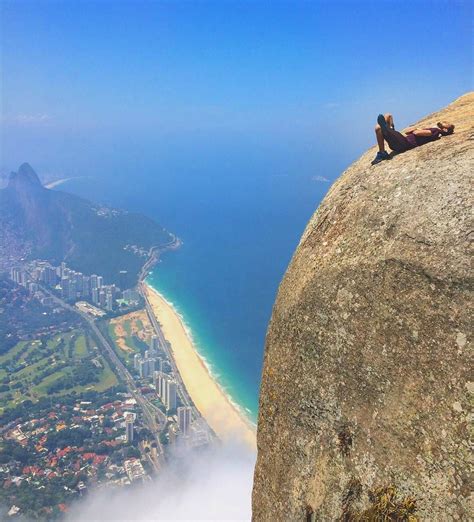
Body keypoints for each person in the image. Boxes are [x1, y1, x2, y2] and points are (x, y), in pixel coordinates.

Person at [371, 113, 455, 165]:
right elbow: (407, 132)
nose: (444, 122)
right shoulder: (433, 129)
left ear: (445, 129)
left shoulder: (436, 131)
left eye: (446, 124)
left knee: (380, 127)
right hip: (401, 141)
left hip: (404, 144)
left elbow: (418, 133)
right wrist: (417, 129)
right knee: (385, 119)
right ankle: (389, 130)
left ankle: (387, 130)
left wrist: (418, 129)